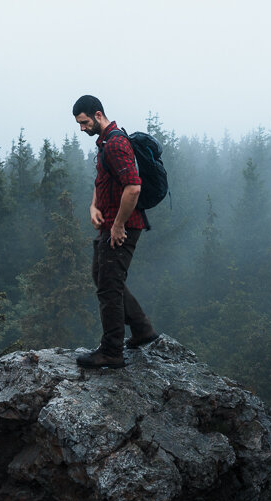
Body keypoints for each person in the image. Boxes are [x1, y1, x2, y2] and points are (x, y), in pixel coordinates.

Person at [72, 95, 158, 368]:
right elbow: (103, 181)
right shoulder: (106, 142)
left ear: (98, 114)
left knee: (108, 286)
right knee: (102, 276)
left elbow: (133, 187)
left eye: (84, 122)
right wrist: (94, 206)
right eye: (79, 125)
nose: (82, 128)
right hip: (110, 222)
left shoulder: (117, 144)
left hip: (123, 226)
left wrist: (118, 225)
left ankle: (111, 351)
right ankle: (143, 330)